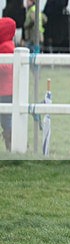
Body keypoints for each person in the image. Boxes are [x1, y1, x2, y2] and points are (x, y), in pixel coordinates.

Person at [0, 17, 16, 150]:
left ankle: (11, 145)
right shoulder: (8, 45)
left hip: (5, 90)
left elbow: (7, 67)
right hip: (6, 89)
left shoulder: (6, 46)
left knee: (6, 120)